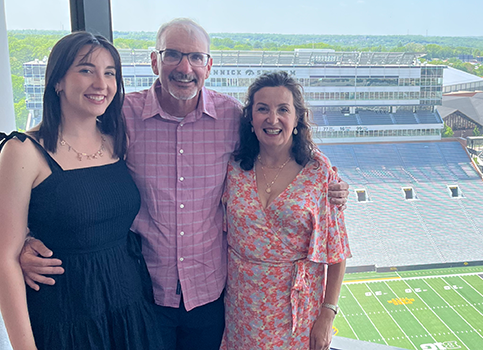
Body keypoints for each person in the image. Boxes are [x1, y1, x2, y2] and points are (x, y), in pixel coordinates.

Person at [19, 18, 350, 350]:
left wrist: (330, 181)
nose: (184, 67)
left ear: (208, 66)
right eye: (173, 54)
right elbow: (74, 163)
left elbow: (280, 136)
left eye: (195, 57)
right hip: (141, 292)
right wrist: (27, 237)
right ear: (154, 61)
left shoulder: (232, 117)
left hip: (211, 294)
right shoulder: (120, 115)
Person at [0, 32, 162, 349]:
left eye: (110, 73)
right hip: (66, 322)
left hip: (129, 313)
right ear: (58, 80)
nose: (101, 84)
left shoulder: (117, 140)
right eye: (86, 70)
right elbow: (4, 257)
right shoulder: (22, 151)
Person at [221, 71, 350, 350]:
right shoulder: (233, 167)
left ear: (297, 118)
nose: (272, 118)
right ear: (250, 118)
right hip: (241, 310)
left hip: (297, 314)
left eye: (283, 109)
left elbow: (337, 251)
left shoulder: (319, 172)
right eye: (262, 109)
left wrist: (327, 313)